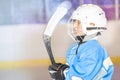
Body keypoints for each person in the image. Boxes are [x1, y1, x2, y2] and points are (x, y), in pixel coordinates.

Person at [48, 4, 114, 80]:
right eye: (74, 22)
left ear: (92, 24)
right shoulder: (74, 47)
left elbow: (82, 75)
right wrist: (60, 70)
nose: (75, 26)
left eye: (78, 23)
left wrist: (63, 73)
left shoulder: (93, 49)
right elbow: (73, 69)